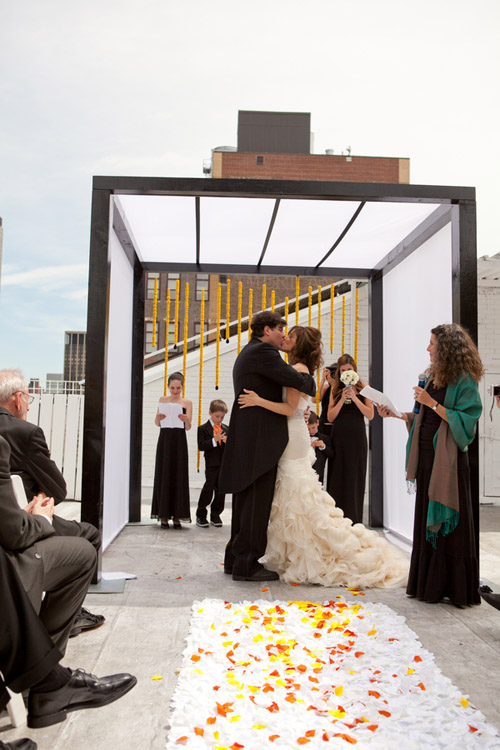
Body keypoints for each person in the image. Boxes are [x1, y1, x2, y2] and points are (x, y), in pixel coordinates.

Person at [238, 326, 407, 588]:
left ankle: (312, 550)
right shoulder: (297, 370)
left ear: (298, 344)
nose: (285, 338)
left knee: (299, 497)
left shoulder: (298, 371)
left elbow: (290, 408)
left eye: (290, 337)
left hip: (293, 437)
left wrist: (258, 401)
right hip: (293, 434)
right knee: (296, 496)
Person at [0, 440, 137, 730]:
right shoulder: (23, 434)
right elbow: (53, 494)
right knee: (84, 550)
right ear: (20, 401)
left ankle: (43, 673)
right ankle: (42, 676)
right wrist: (39, 520)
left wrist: (24, 516)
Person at [378, 323, 483, 607]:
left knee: (450, 521)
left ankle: (454, 587)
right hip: (425, 458)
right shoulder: (432, 377)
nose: (428, 348)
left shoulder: (464, 380)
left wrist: (431, 403)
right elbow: (422, 417)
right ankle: (429, 585)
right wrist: (397, 415)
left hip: (447, 462)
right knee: (425, 517)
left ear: (446, 348)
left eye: (432, 344)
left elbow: (468, 421)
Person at [0, 369, 104, 638]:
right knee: (89, 535)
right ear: (19, 399)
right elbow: (59, 488)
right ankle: (58, 623)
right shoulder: (25, 432)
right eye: (28, 399)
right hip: (21, 522)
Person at [219, 312, 316, 582]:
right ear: (266, 330)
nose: (283, 334)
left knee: (245, 502)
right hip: (260, 441)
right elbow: (301, 381)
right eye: (279, 329)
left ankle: (235, 560)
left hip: (251, 438)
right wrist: (310, 380)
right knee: (255, 506)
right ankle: (247, 565)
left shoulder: (251, 351)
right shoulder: (264, 352)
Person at [326, 354, 374, 524]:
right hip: (339, 437)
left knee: (355, 477)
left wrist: (354, 397)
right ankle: (336, 521)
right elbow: (330, 417)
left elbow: (370, 414)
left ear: (355, 370)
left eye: (349, 369)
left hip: (357, 438)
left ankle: (355, 520)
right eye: (343, 370)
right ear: (339, 371)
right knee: (337, 476)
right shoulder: (335, 389)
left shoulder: (364, 388)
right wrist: (342, 399)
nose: (346, 372)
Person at [151, 371, 192, 529]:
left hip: (179, 442)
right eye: (173, 387)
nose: (175, 391)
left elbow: (188, 427)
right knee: (164, 473)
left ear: (182, 387)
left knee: (178, 474)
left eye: (178, 388)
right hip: (165, 441)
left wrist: (186, 419)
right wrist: (158, 418)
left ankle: (177, 516)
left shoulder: (187, 402)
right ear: (168, 387)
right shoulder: (163, 400)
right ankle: (163, 515)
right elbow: (157, 423)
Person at [196, 399, 228, 528]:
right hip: (211, 465)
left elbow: (232, 448)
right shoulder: (203, 429)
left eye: (222, 417)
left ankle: (216, 515)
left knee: (221, 491)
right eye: (217, 416)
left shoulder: (226, 429)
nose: (219, 419)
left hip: (223, 465)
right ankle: (201, 514)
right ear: (210, 412)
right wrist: (214, 440)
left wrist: (227, 442)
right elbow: (201, 446)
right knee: (208, 489)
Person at [306, 411, 333, 484]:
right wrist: (308, 445)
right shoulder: (302, 439)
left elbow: (331, 454)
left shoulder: (325, 438)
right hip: (304, 472)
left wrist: (323, 446)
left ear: (317, 423)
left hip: (319, 473)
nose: (311, 431)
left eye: (313, 428)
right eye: (308, 429)